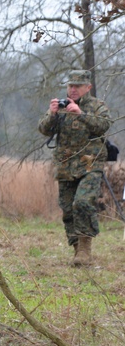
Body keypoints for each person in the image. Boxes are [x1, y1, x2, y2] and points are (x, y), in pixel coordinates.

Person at [37, 69, 111, 267]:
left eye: (78, 86)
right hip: (65, 165)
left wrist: (81, 114)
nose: (73, 89)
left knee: (83, 203)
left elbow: (103, 125)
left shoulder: (97, 106)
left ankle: (85, 248)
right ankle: (77, 248)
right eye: (70, 85)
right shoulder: (61, 107)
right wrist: (52, 114)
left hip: (90, 163)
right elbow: (43, 129)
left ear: (88, 87)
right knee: (68, 208)